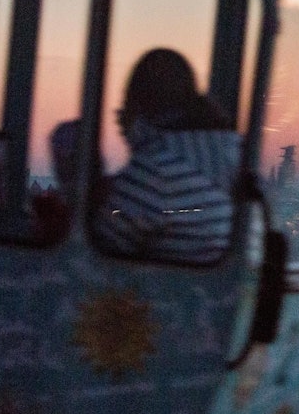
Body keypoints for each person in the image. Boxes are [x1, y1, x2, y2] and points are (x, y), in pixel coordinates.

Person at [92, 48, 241, 264]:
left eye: (125, 109)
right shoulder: (233, 152)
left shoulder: (156, 169)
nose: (120, 121)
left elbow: (98, 252)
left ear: (139, 108)